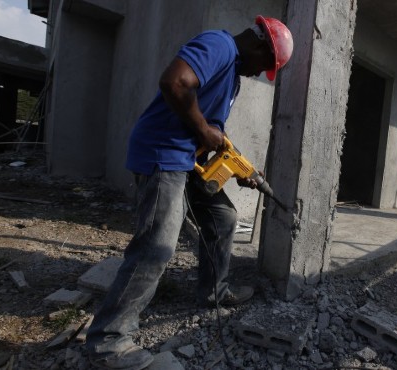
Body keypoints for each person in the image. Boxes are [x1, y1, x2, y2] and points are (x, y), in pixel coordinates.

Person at [85, 16, 293, 370]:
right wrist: (204, 130)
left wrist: (235, 164)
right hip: (163, 153)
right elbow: (175, 83)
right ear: (260, 45)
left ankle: (213, 291)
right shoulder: (219, 46)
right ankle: (109, 340)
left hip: (185, 157)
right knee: (157, 246)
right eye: (265, 66)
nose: (260, 74)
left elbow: (211, 130)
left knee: (224, 216)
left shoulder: (232, 80)